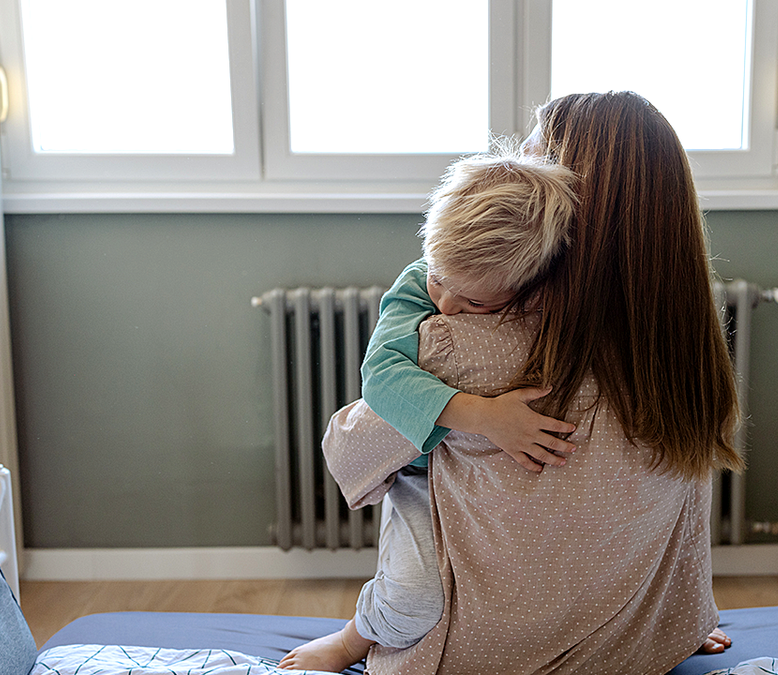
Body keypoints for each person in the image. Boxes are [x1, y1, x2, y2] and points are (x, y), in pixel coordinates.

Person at [297, 91, 741, 674]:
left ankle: (356, 634)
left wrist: (456, 417)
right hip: (634, 647)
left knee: (397, 468)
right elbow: (685, 513)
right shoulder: (686, 356)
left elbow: (348, 448)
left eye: (532, 157)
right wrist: (682, 619)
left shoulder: (465, 344)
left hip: (474, 653)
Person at [280, 148, 581, 672]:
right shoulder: (417, 284)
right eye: (442, 280)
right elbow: (382, 378)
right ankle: (354, 636)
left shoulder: (545, 292)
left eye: (476, 304)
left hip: (494, 484)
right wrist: (484, 415)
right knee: (414, 599)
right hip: (422, 475)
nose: (445, 307)